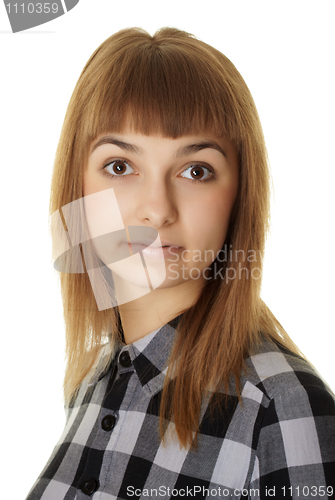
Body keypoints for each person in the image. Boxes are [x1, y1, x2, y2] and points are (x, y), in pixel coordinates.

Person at [26, 27, 335, 500]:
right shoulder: (93, 382)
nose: (156, 209)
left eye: (196, 171)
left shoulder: (284, 410)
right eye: (120, 166)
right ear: (77, 190)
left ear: (239, 196)